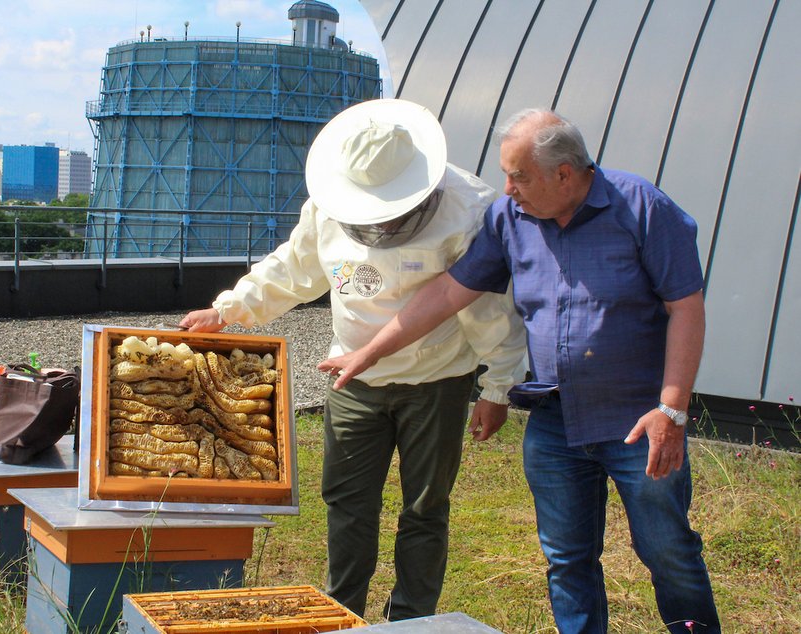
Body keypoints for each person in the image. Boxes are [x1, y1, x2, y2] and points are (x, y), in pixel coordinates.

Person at [319, 108, 721, 633]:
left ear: (566, 174)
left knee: (666, 549)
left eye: (519, 176)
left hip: (637, 420)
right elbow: (448, 292)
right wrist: (368, 352)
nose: (507, 188)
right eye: (506, 173)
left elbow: (685, 307)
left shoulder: (642, 207)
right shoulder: (510, 219)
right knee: (567, 560)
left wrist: (672, 408)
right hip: (555, 421)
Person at [179, 98, 526, 620]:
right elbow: (293, 267)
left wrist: (498, 388)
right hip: (351, 380)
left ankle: (413, 621)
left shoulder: (469, 209)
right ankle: (343, 614)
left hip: (437, 380)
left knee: (425, 507)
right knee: (347, 503)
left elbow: (493, 309)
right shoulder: (328, 204)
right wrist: (227, 310)